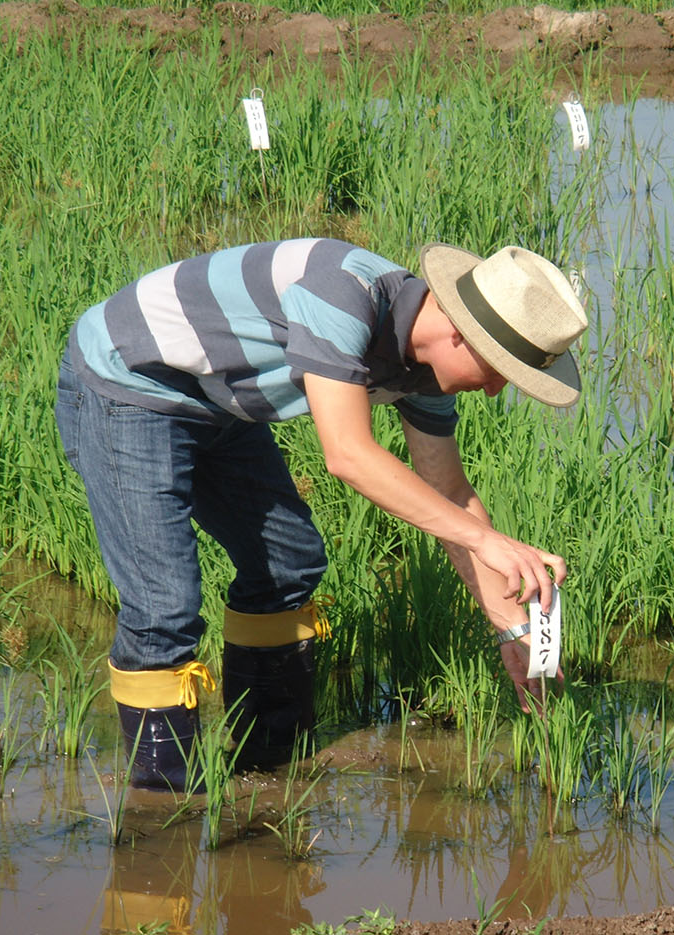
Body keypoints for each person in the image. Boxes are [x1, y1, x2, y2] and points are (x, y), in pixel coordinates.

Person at [55, 238, 587, 790]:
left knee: (288, 565)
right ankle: (163, 807)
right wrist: (487, 543)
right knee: (163, 603)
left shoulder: (426, 371)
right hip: (131, 380)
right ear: (460, 332)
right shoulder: (343, 293)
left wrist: (515, 631)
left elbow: (449, 493)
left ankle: (270, 765)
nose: (498, 390)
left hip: (217, 400)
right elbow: (349, 455)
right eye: (501, 369)